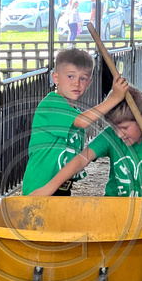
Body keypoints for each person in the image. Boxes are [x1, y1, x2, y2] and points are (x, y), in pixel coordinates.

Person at [30, 85, 142, 208]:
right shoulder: (110, 137)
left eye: (125, 128)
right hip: (114, 208)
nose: (119, 134)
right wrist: (49, 187)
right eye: (115, 128)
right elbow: (81, 160)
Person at [22, 48, 128, 196]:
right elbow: (83, 121)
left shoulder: (74, 113)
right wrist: (114, 98)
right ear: (56, 78)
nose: (76, 83)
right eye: (70, 76)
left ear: (89, 82)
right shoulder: (51, 104)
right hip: (40, 187)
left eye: (83, 78)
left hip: (62, 186)